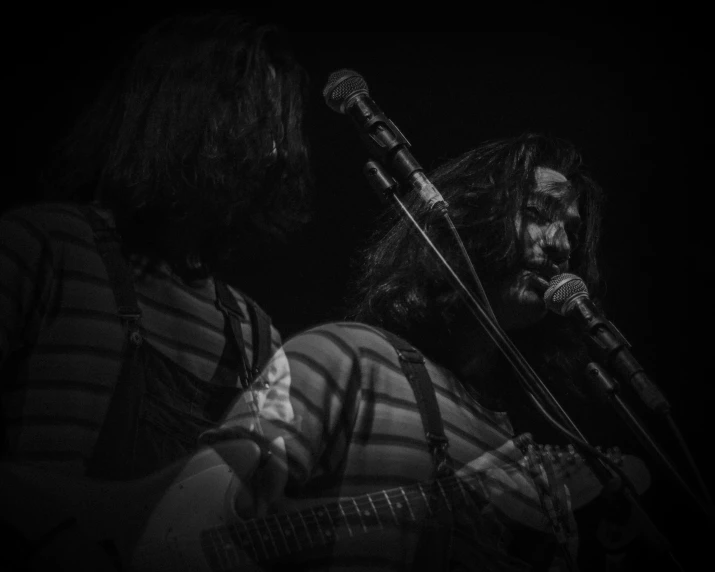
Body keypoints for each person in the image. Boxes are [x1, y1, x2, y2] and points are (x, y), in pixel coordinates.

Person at [200, 132, 625, 571]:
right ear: (468, 220)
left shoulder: (517, 444)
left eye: (571, 230)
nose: (561, 245)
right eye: (536, 213)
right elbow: (186, 524)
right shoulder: (342, 358)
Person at [1, 10, 312, 570]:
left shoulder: (256, 335)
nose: (272, 149)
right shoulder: (41, 246)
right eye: (254, 117)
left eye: (279, 128)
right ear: (180, 113)